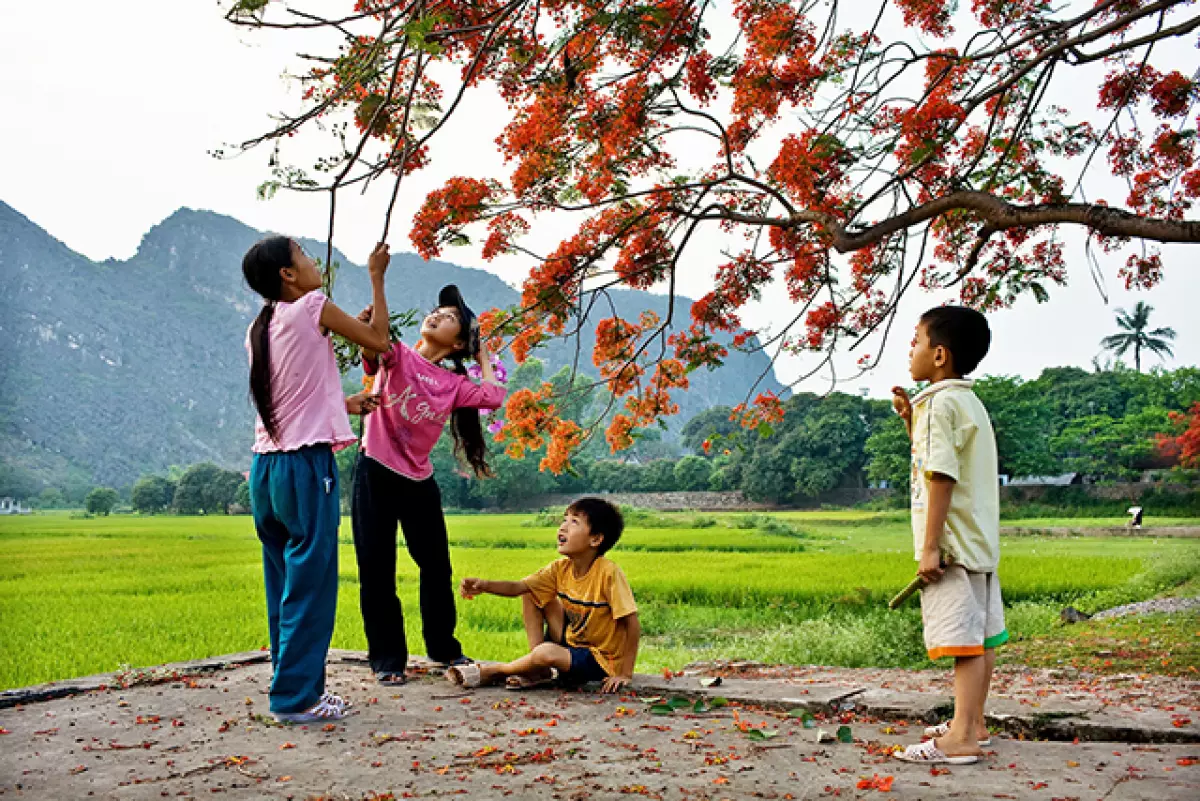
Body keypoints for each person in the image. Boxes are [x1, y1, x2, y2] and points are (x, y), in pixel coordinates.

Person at [242, 236, 392, 723]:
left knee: (284, 582)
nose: (312, 261)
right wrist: (377, 276)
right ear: (288, 274)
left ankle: (289, 686)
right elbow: (380, 345)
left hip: (266, 470)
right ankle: (297, 700)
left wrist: (343, 405)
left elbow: (290, 395)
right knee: (311, 586)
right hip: (306, 469)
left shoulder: (259, 326)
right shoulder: (312, 305)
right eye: (303, 256)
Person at [351, 285, 506, 685]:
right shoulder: (397, 355)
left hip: (418, 480)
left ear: (457, 342)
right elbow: (373, 345)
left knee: (436, 567)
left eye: (449, 316)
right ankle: (387, 660)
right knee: (376, 568)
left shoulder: (452, 385)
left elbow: (492, 395)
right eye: (436, 310)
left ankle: (443, 648)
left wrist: (481, 351)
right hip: (375, 470)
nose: (437, 315)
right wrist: (377, 288)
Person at [891, 306, 1007, 765]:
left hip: (954, 547)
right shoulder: (965, 401)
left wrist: (931, 547)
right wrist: (910, 421)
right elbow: (935, 457)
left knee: (963, 642)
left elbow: (940, 475)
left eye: (916, 339)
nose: (911, 348)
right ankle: (973, 721)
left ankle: (960, 738)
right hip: (978, 543)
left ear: (939, 354)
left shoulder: (939, 403)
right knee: (982, 635)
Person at [449, 498, 639, 694]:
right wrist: (485, 585)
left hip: (599, 659)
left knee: (546, 652)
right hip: (572, 643)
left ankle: (496, 670)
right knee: (531, 592)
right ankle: (539, 668)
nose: (563, 527)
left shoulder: (608, 573)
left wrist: (624, 674)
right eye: (564, 520)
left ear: (596, 539)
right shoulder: (560, 568)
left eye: (574, 522)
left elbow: (631, 623)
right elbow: (518, 587)